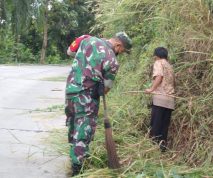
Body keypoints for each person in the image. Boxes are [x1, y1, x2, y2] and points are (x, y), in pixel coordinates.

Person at [65, 32, 132, 176]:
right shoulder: (113, 61)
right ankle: (78, 169)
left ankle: (73, 156)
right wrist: (100, 87)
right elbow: (106, 89)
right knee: (83, 132)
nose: (121, 53)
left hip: (70, 91)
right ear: (118, 45)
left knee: (73, 125)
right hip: (87, 98)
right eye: (122, 50)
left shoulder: (87, 40)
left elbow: (70, 52)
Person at [145, 47, 175, 152]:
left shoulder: (158, 63)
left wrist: (151, 89)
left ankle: (152, 150)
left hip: (160, 99)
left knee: (155, 126)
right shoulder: (170, 66)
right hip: (170, 100)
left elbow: (159, 76)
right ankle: (162, 149)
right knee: (164, 127)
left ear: (156, 56)